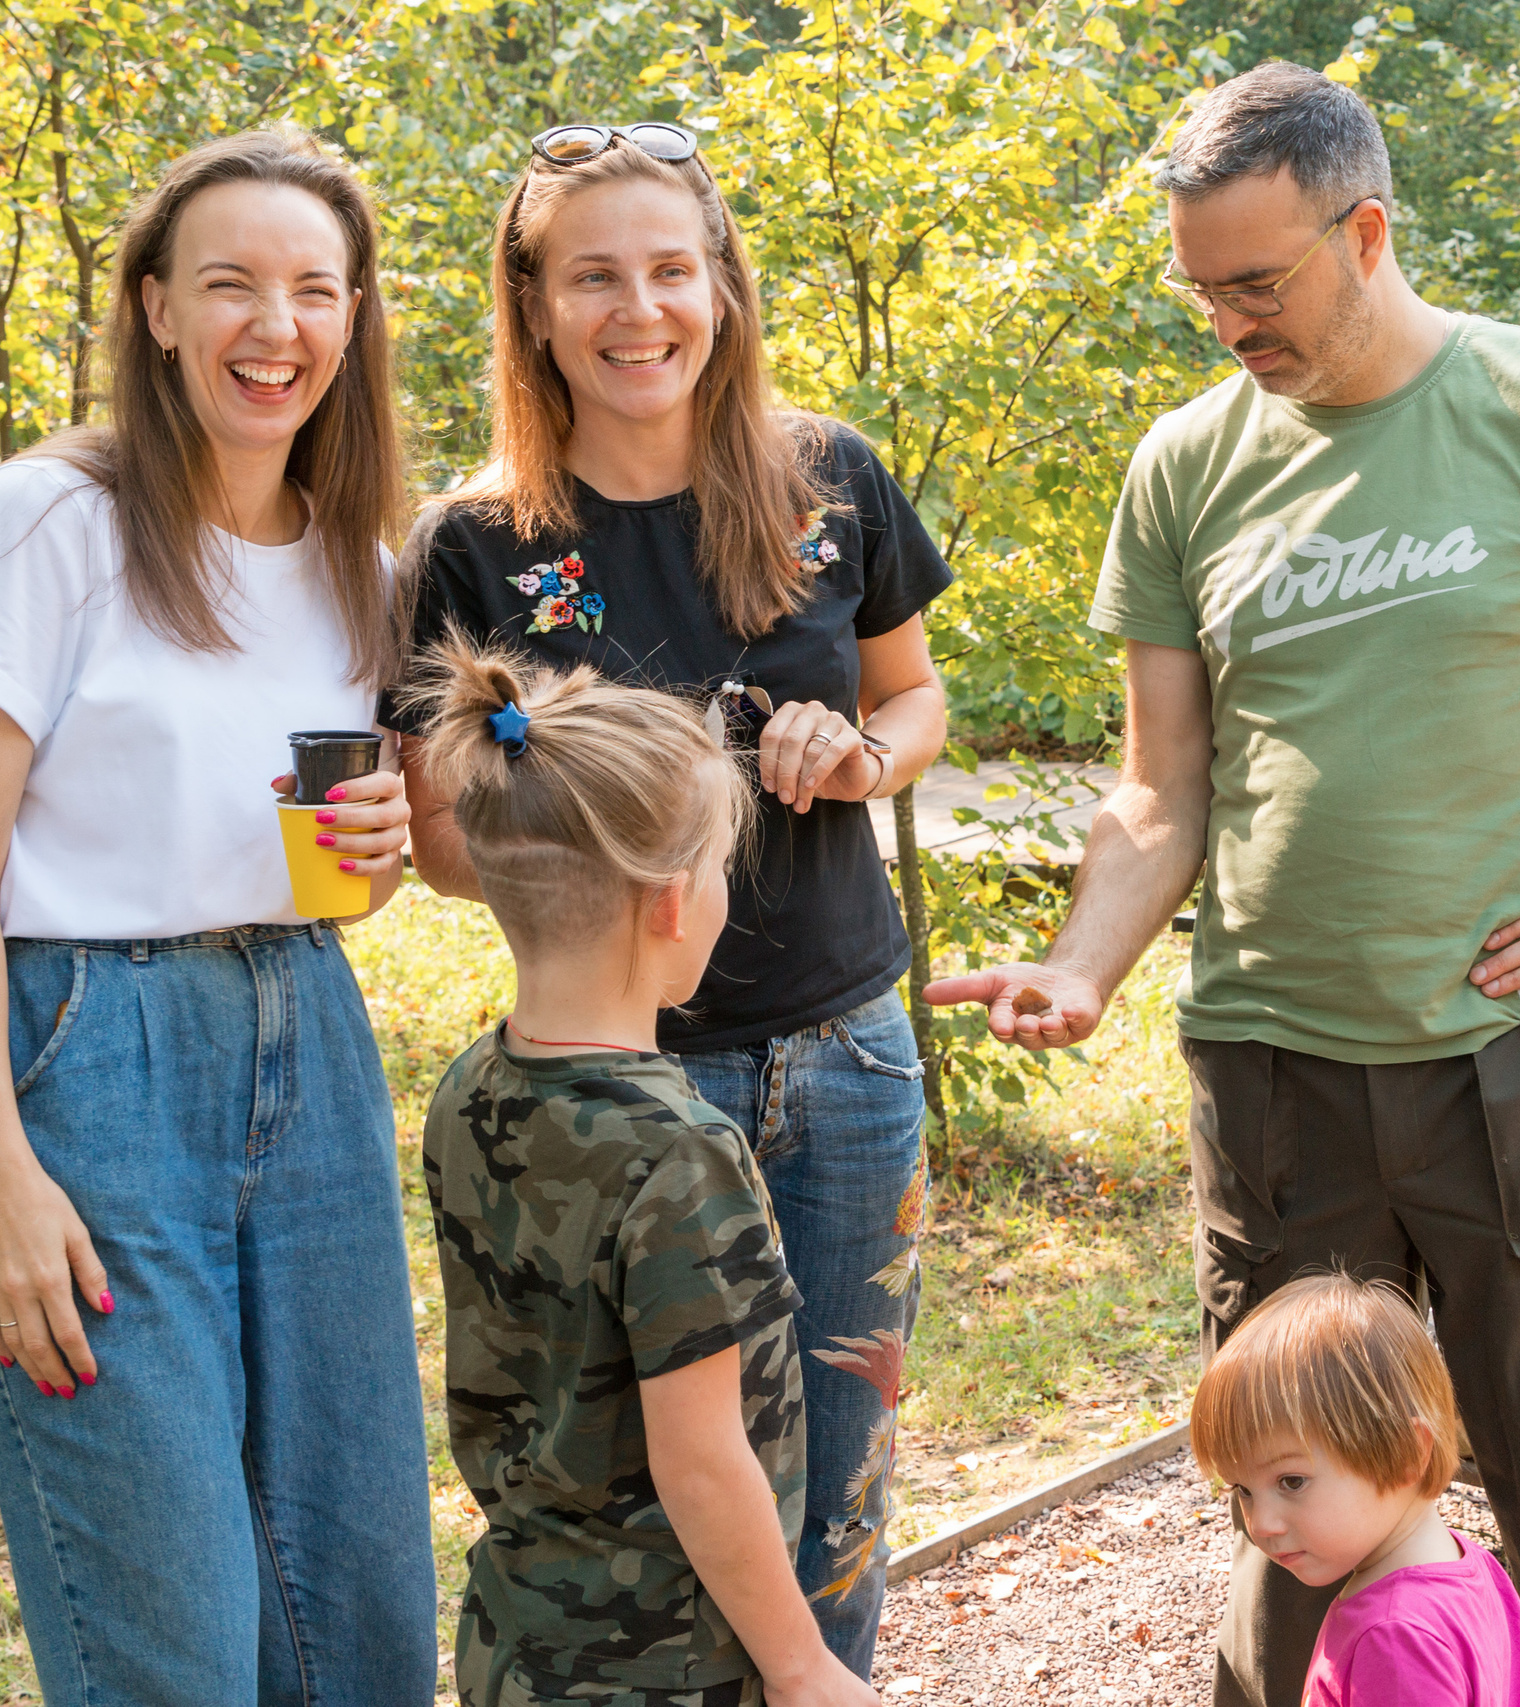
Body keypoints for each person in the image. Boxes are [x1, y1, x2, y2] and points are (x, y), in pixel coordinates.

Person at [926, 61, 1520, 1707]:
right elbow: (1163, 786)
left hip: (1517, 1065)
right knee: (1298, 1512)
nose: (1227, 321)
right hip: (1275, 1073)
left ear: (1365, 233)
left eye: (1257, 282)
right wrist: (1084, 963)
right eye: (1199, 289)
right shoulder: (1187, 463)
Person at [387, 121, 949, 1670]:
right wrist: (582, 829)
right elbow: (444, 842)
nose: (640, 311)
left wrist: (864, 756)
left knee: (835, 1494)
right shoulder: (469, 545)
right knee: (648, 1501)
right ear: (532, 302)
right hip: (614, 1095)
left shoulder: (830, 478)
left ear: (721, 286)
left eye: (670, 270)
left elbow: (916, 698)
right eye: (594, 277)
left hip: (848, 1058)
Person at [0, 128, 435, 1704]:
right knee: (176, 1627)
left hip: (309, 1039)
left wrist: (385, 844)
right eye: (229, 285)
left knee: (356, 1599)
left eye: (314, 289)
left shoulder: (362, 562)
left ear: (352, 319)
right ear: (153, 307)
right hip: (93, 1061)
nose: (275, 326)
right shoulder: (49, 518)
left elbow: (349, 870)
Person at [406, 636, 880, 1707]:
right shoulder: (681, 1152)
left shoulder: (471, 1084)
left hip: (518, 1643)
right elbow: (702, 1461)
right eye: (719, 871)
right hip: (668, 1669)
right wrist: (803, 1665)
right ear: (672, 902)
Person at [1191, 1273, 1520, 1707]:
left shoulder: (1392, 1639)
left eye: (1291, 1481)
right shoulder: (1473, 1567)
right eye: (1243, 1489)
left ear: (1407, 1453)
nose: (1260, 1524)